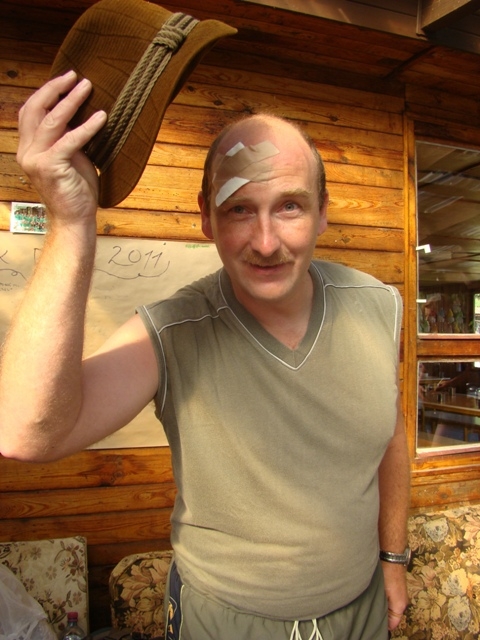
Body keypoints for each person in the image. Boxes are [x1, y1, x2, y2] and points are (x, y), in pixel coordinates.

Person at [0, 71, 410, 640]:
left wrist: (393, 559)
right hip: (223, 621)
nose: (265, 242)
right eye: (239, 209)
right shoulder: (173, 330)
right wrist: (71, 221)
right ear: (206, 217)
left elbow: (390, 435)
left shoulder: (378, 305)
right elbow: (24, 434)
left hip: (362, 610)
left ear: (322, 212)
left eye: (290, 206)